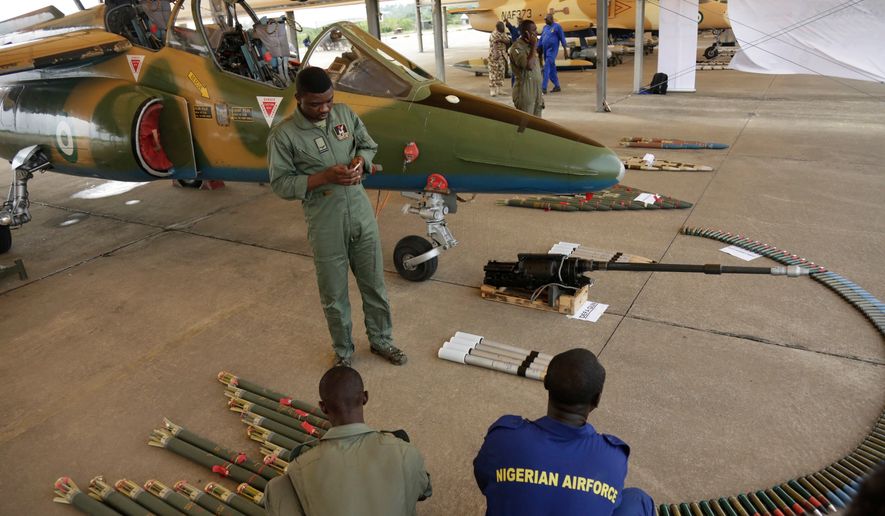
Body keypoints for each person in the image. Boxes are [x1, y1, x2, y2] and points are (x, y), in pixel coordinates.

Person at [267, 67, 407, 368]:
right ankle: (344, 353)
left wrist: (360, 161)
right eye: (315, 104)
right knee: (334, 293)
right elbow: (280, 184)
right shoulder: (284, 135)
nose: (324, 109)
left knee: (374, 284)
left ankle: (382, 340)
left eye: (328, 101)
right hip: (325, 220)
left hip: (360, 212)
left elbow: (368, 145)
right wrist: (323, 177)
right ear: (299, 99)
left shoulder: (344, 115)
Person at [473, 348, 654, 516]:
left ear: (545, 383)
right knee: (637, 500)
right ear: (597, 399)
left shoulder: (504, 437)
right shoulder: (612, 457)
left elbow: (485, 479)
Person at [264, 366, 432, 515]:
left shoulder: (299, 467)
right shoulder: (405, 452)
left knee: (277, 488)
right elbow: (424, 491)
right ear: (365, 397)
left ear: (323, 407)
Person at [508, 19, 544, 117]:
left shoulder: (531, 46)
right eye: (534, 30)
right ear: (526, 33)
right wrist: (533, 46)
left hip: (536, 91)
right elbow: (529, 66)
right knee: (525, 125)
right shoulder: (517, 47)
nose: (537, 33)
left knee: (537, 125)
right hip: (525, 92)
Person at [539, 14, 568, 94]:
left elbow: (562, 38)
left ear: (551, 19)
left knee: (546, 67)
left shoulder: (557, 27)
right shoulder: (545, 27)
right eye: (545, 19)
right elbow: (542, 38)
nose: (545, 21)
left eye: (546, 19)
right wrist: (538, 47)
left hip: (552, 51)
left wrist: (565, 50)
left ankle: (543, 88)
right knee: (552, 69)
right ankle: (557, 86)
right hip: (545, 50)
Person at [488, 21, 511, 97]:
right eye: (501, 28)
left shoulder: (503, 33)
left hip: (502, 56)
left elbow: (508, 41)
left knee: (501, 72)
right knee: (493, 73)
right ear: (498, 28)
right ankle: (492, 90)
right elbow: (494, 44)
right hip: (494, 56)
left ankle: (499, 89)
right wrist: (495, 54)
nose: (503, 29)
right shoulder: (494, 34)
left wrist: (501, 40)